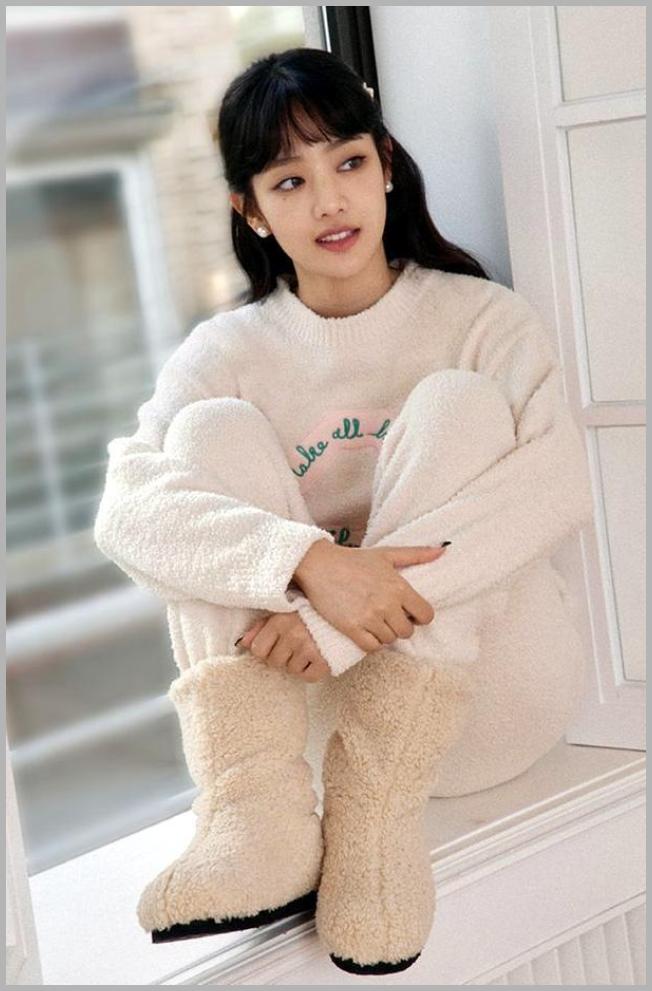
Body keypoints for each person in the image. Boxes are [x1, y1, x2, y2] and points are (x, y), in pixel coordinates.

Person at [93, 47, 594, 975]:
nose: (330, 202)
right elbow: (127, 510)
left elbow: (557, 484)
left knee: (459, 407)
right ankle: (256, 818)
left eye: (349, 162)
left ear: (386, 165)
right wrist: (305, 561)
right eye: (290, 180)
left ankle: (375, 821)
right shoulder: (229, 352)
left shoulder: (481, 319)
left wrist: (337, 620)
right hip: (317, 728)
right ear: (250, 209)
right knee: (204, 435)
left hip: (490, 696)